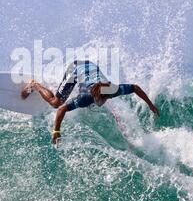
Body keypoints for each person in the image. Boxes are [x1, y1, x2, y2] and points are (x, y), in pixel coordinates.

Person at [21, 60, 160, 144]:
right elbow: (61, 109)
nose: (101, 102)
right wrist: (56, 131)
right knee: (56, 102)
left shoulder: (112, 90)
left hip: (90, 67)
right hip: (75, 69)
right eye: (99, 100)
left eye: (104, 99)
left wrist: (151, 105)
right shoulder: (85, 97)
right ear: (94, 96)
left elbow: (135, 88)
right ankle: (34, 85)